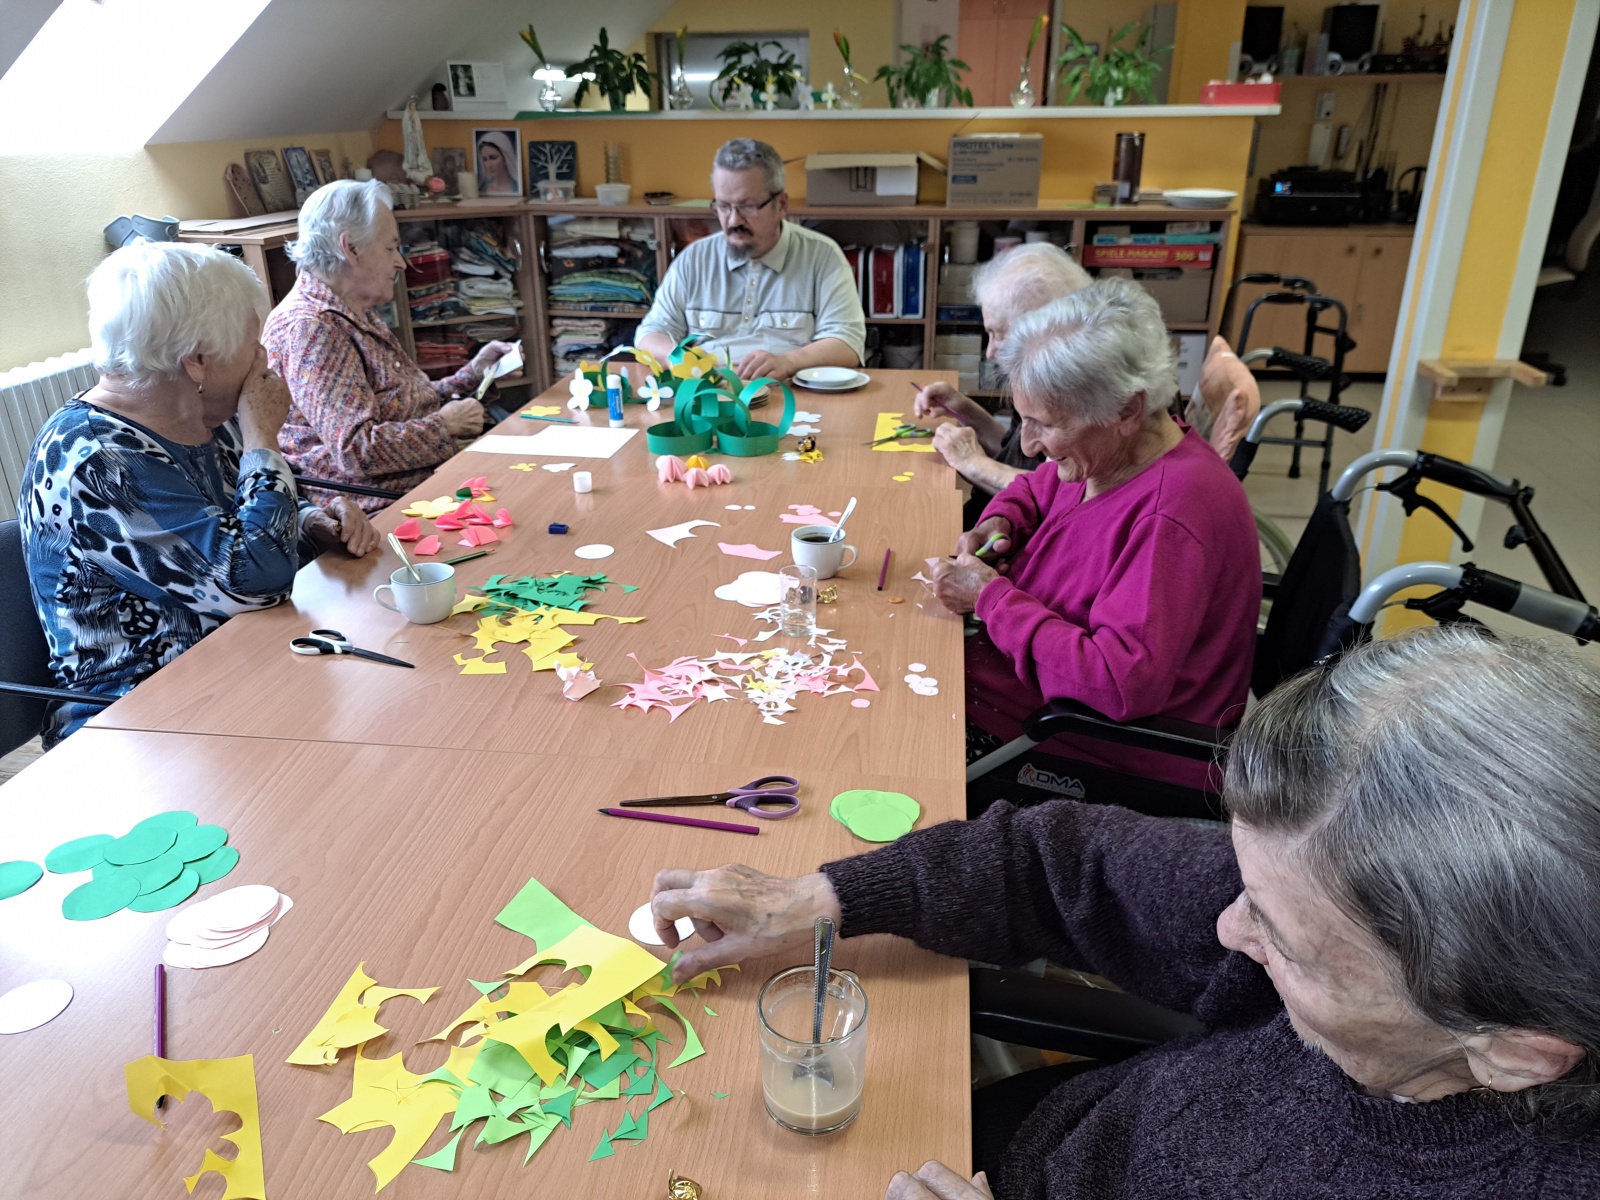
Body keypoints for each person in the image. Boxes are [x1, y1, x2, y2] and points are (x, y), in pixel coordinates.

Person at [651, 628, 1600, 1198]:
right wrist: (823, 898)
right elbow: (1059, 860)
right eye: (1247, 887)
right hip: (1047, 1136)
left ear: (1515, 1053)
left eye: (1286, 944)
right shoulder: (1336, 892)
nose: (1230, 930)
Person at [19, 242, 380, 746]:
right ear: (196, 361)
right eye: (253, 345)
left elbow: (244, 515)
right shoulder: (100, 460)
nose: (263, 360)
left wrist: (308, 520)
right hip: (137, 718)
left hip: (242, 665)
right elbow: (252, 581)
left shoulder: (201, 415)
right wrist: (263, 439)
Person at [931, 278, 1258, 792]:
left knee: (892, 752)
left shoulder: (1171, 518)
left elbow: (1116, 685)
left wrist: (990, 600)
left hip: (1094, 751)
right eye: (1023, 421)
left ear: (1127, 410)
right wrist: (1002, 520)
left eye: (1044, 425)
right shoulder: (1112, 456)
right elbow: (1038, 487)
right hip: (1022, 698)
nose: (1030, 446)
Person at [263, 180, 514, 511]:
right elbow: (355, 451)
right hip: (383, 508)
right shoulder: (314, 329)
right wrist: (445, 425)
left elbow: (402, 404)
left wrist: (473, 375)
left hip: (425, 482)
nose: (401, 263)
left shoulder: (353, 309)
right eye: (390, 248)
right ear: (350, 248)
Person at [636, 138, 865, 383]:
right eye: (723, 206)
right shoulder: (694, 259)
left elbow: (847, 343)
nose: (734, 220)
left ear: (781, 205)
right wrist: (679, 359)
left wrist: (788, 362)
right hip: (708, 391)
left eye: (747, 206)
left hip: (789, 390)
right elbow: (650, 333)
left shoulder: (822, 256)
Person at [910, 244, 1091, 527]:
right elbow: (1021, 455)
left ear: (1043, 330)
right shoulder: (1037, 378)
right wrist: (965, 410)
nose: (990, 352)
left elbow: (1057, 497)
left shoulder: (1081, 394)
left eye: (1000, 334)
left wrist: (973, 462)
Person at [475, 131, 520, 196]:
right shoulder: (482, 188)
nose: (489, 165)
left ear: (505, 158)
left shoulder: (517, 187)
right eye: (485, 159)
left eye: (493, 158)